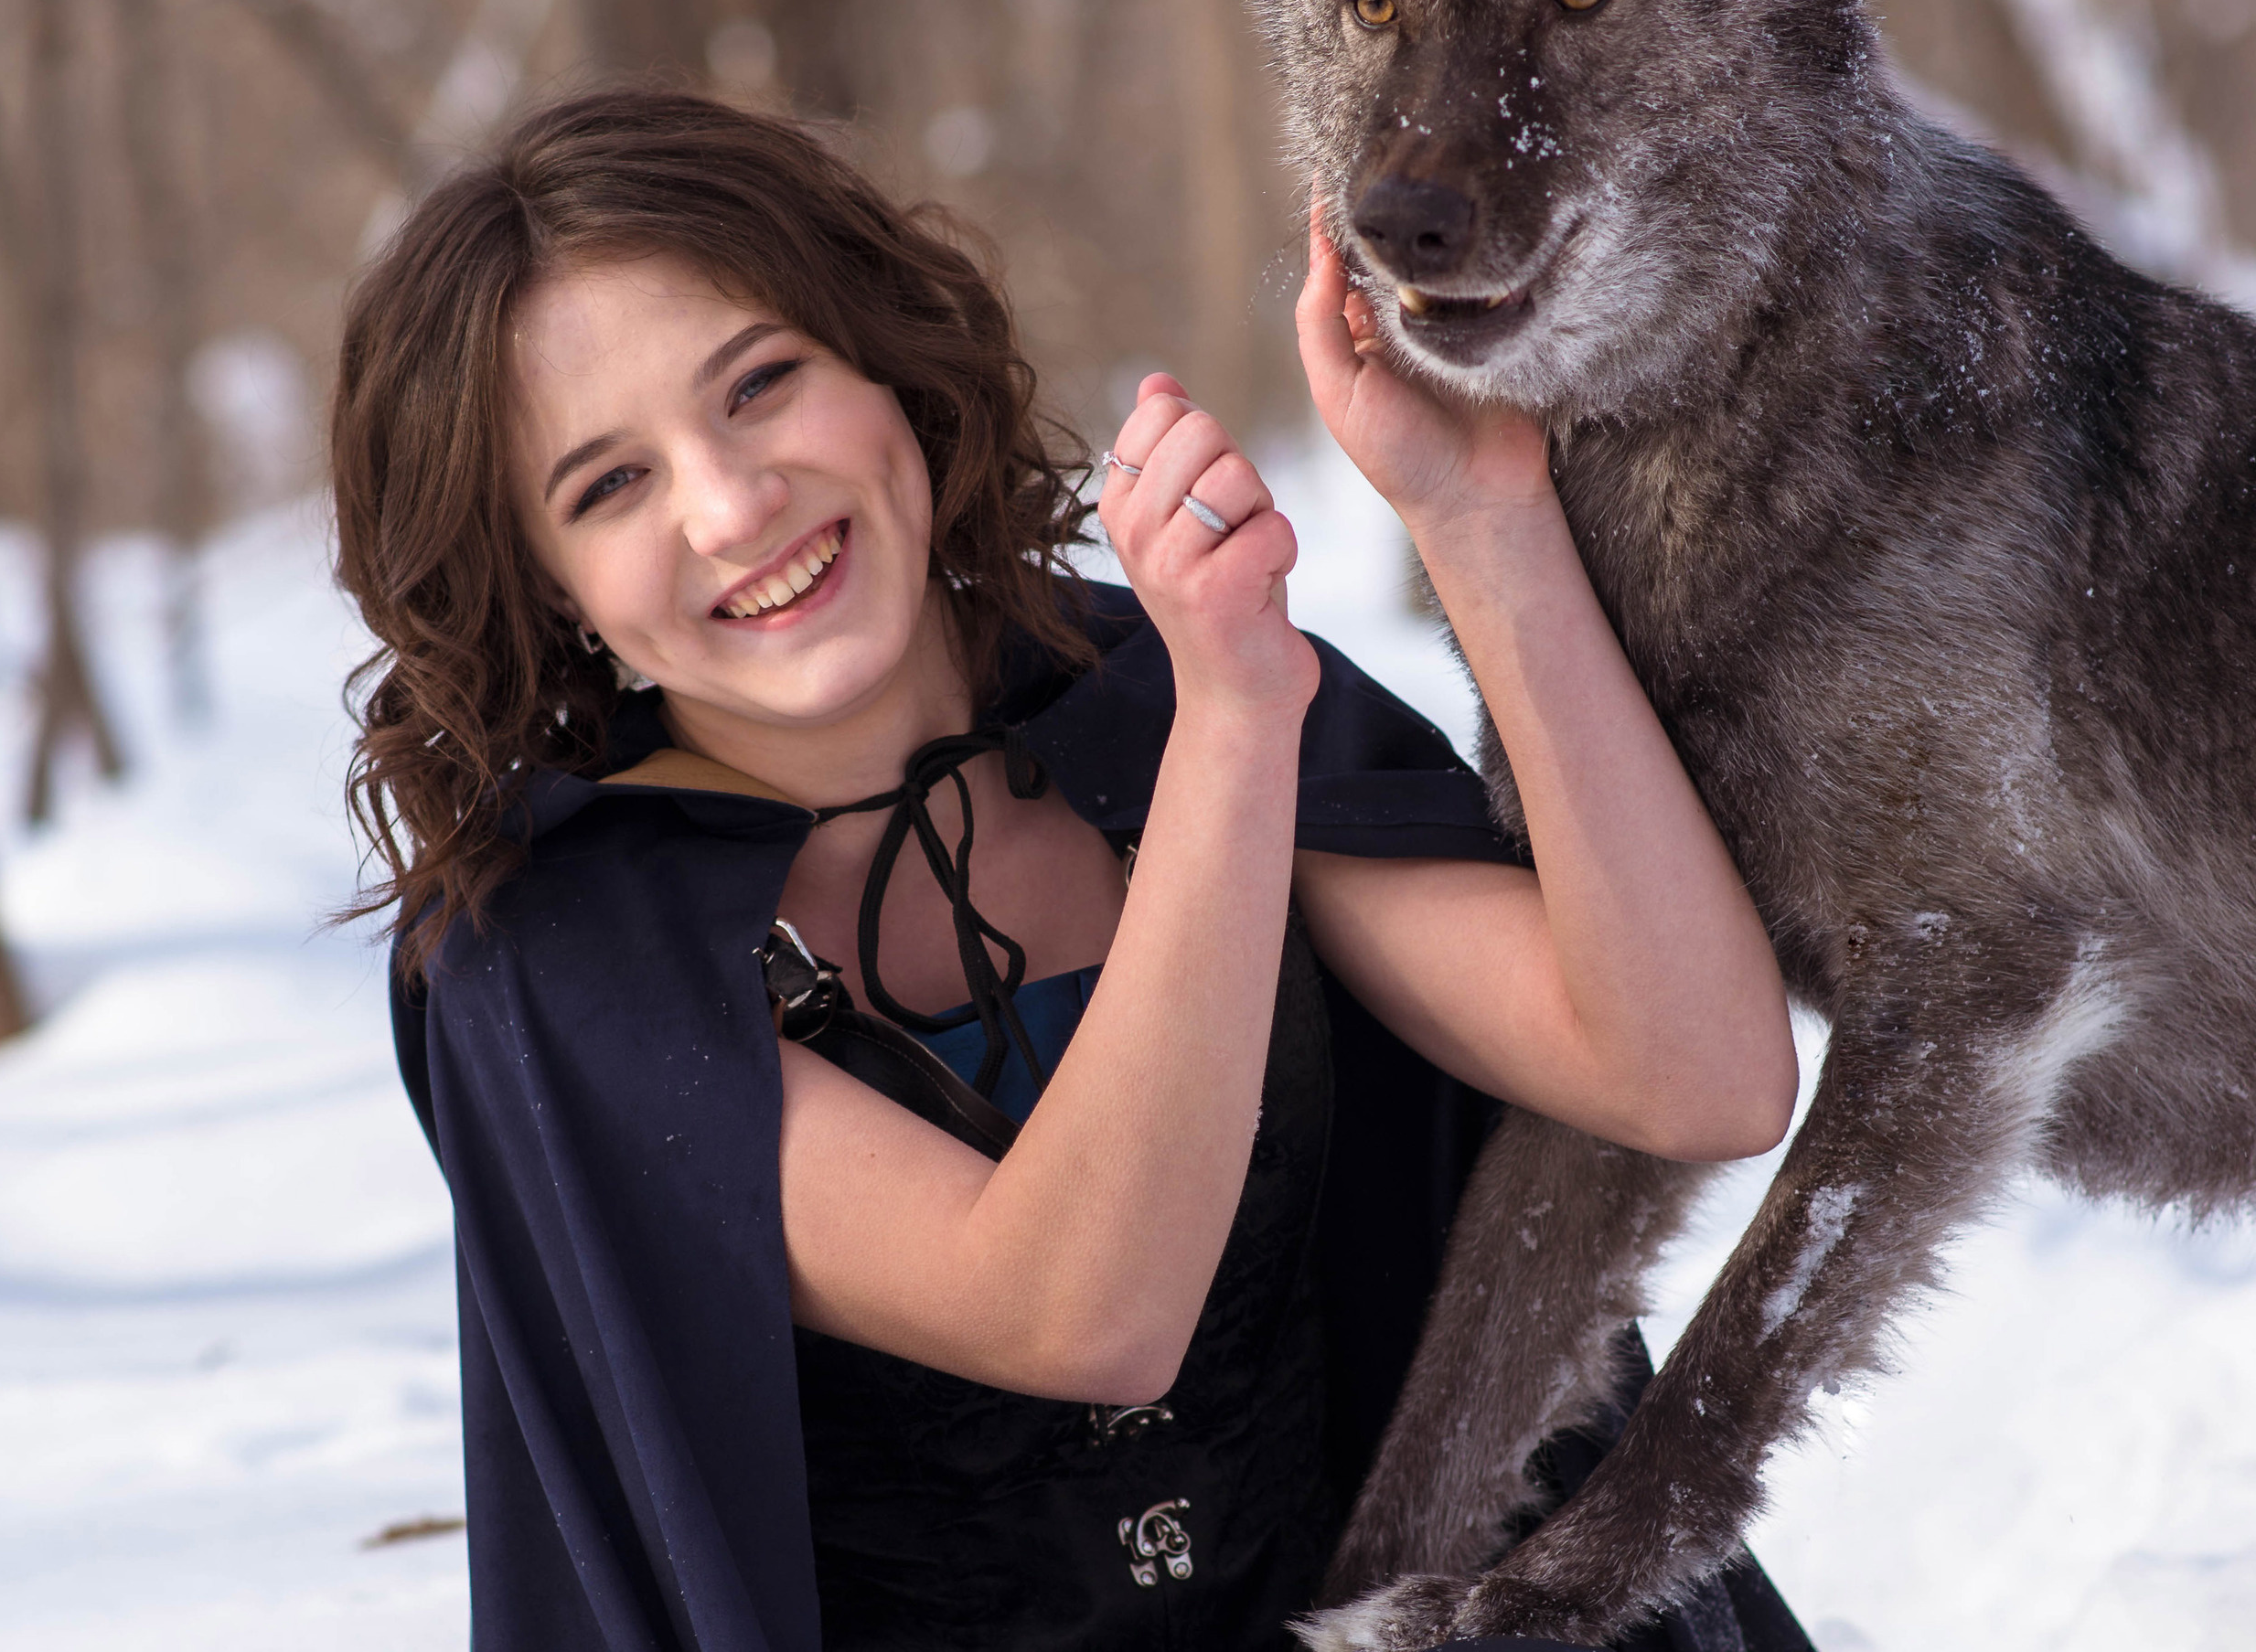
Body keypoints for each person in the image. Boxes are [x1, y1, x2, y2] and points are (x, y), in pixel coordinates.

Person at [332, 85, 1805, 1652]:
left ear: (885, 366)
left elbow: (1697, 1077)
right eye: (607, 485)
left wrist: (1478, 516)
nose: (730, 503)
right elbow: (1080, 1312)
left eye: (761, 384)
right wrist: (1232, 733)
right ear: (546, 583)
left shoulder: (1145, 688)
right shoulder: (557, 956)